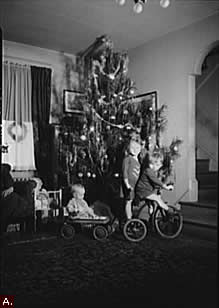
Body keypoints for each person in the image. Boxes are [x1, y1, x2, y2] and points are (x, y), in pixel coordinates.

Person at [121, 140, 141, 220]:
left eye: (137, 147)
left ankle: (131, 216)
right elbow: (124, 171)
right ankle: (129, 218)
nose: (135, 149)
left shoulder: (138, 161)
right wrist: (127, 183)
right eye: (132, 148)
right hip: (129, 184)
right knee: (128, 201)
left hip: (135, 184)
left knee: (132, 201)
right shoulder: (127, 159)